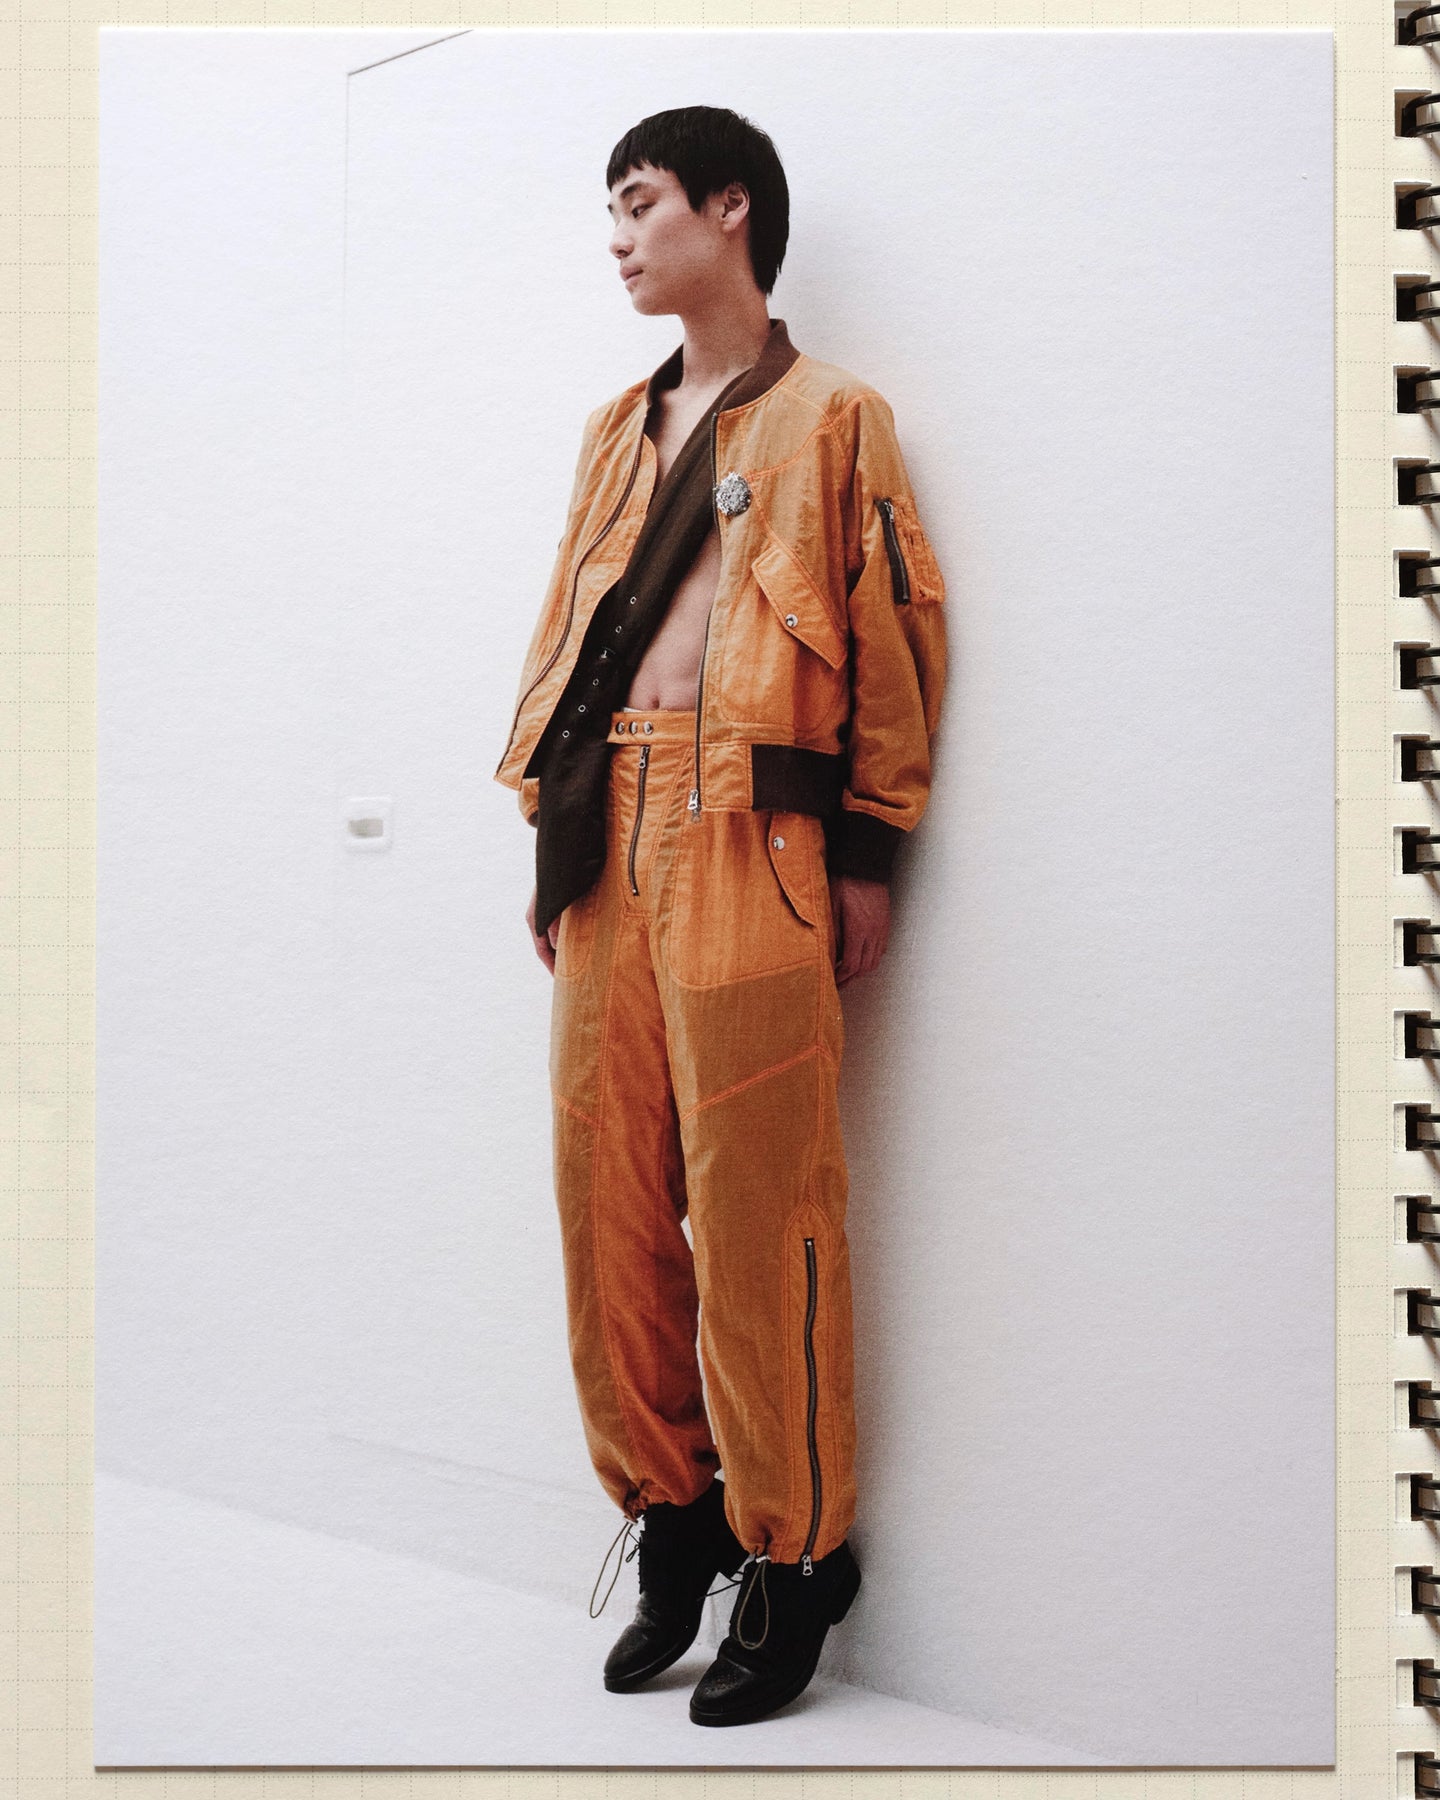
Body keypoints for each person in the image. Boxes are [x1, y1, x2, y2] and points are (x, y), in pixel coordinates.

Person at [493, 104, 947, 1728]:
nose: (618, 237)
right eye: (612, 211)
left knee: (760, 1202)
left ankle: (796, 1552)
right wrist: (557, 855)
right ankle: (672, 1511)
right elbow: (567, 637)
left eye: (641, 202)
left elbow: (895, 635)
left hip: (757, 831)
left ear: (730, 207)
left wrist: (870, 853)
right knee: (603, 1193)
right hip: (606, 829)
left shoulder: (835, 418)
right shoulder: (613, 432)